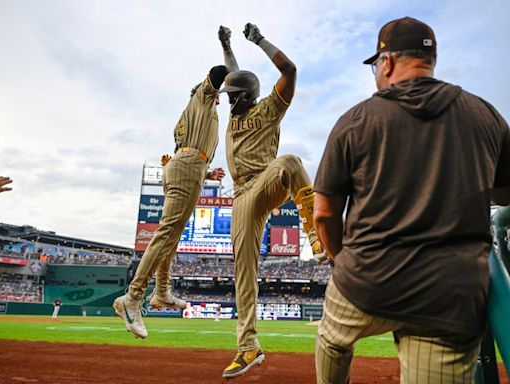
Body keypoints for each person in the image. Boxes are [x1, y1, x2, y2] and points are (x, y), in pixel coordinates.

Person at [313, 16, 510, 384]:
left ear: (386, 62)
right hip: (449, 294)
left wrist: (341, 261)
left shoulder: (355, 120)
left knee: (331, 341)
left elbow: (324, 214)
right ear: (430, 61)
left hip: (367, 280)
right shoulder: (486, 115)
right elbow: (504, 195)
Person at [218, 24, 328, 379]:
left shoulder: (268, 110)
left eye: (231, 94)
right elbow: (236, 75)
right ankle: (248, 347)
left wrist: (259, 40)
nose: (226, 98)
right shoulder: (236, 111)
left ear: (245, 96)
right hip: (240, 196)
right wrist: (228, 44)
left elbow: (290, 71)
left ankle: (315, 231)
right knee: (243, 272)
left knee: (291, 162)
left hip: (266, 181)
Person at [113, 64, 229, 339]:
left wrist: (208, 172)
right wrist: (229, 74)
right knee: (166, 233)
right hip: (188, 167)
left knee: (172, 236)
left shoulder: (200, 114)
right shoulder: (201, 98)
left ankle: (161, 292)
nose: (221, 97)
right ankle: (132, 297)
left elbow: (187, 148)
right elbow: (218, 71)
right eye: (219, 93)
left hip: (189, 166)